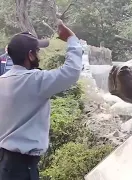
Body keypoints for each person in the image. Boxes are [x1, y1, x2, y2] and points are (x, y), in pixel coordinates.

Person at [0, 19, 82, 180]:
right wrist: (72, 39)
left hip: (4, 165)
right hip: (22, 170)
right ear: (30, 55)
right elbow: (72, 71)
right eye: (37, 51)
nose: (39, 55)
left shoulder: (2, 81)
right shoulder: (35, 81)